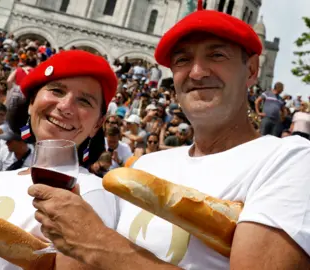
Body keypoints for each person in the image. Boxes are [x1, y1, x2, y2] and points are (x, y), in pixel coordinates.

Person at [28, 4, 310, 270]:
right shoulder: (145, 166)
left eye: (217, 55)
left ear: (250, 70)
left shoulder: (290, 160)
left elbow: (97, 247)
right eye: (183, 60)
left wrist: (97, 244)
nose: (197, 72)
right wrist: (67, 232)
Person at [0, 50, 119, 269]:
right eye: (57, 90)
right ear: (31, 102)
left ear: (97, 124)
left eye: (84, 101)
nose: (65, 107)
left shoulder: (94, 194)